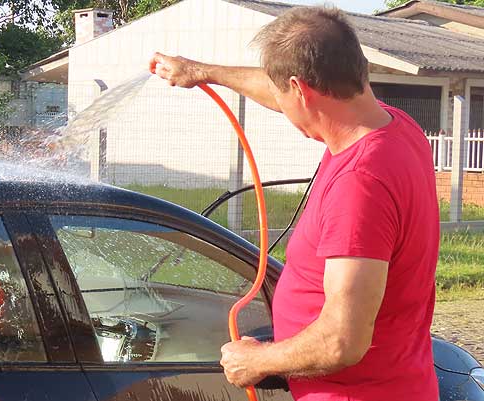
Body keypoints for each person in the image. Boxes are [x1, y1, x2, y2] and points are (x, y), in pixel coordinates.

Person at [149, 6, 439, 401]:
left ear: (301, 90)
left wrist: (257, 362)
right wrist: (201, 71)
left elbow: (341, 341)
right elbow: (284, 89)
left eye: (285, 94)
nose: (280, 105)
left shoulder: (360, 184)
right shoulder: (396, 128)